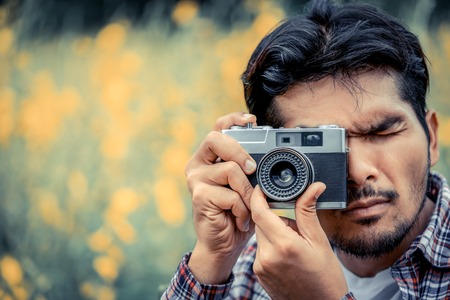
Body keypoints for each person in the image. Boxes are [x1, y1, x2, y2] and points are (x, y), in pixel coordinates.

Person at [162, 0, 449, 298]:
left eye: (381, 131)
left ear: (431, 137)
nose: (359, 172)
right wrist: (213, 257)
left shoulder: (275, 270)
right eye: (316, 145)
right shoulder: (260, 261)